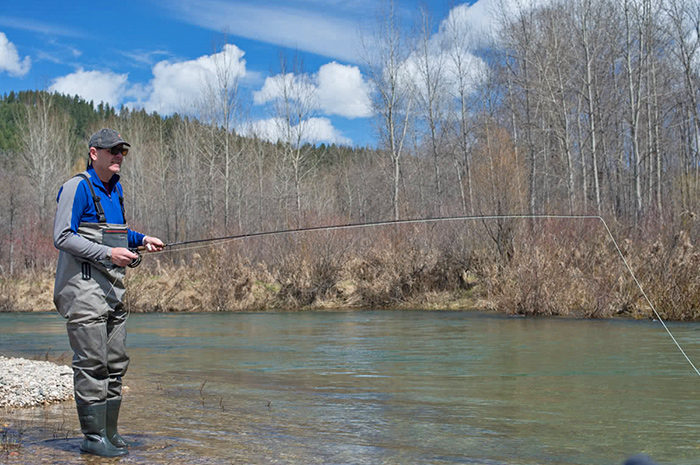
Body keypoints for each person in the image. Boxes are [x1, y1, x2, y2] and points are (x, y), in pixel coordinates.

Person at [53, 128, 164, 457]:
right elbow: (62, 236)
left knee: (115, 365)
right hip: (82, 291)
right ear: (93, 153)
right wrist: (107, 255)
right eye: (112, 150)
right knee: (92, 365)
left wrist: (142, 240)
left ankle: (110, 433)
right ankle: (92, 438)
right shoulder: (78, 188)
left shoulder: (115, 190)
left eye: (122, 151)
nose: (118, 155)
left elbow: (116, 233)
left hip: (113, 290)